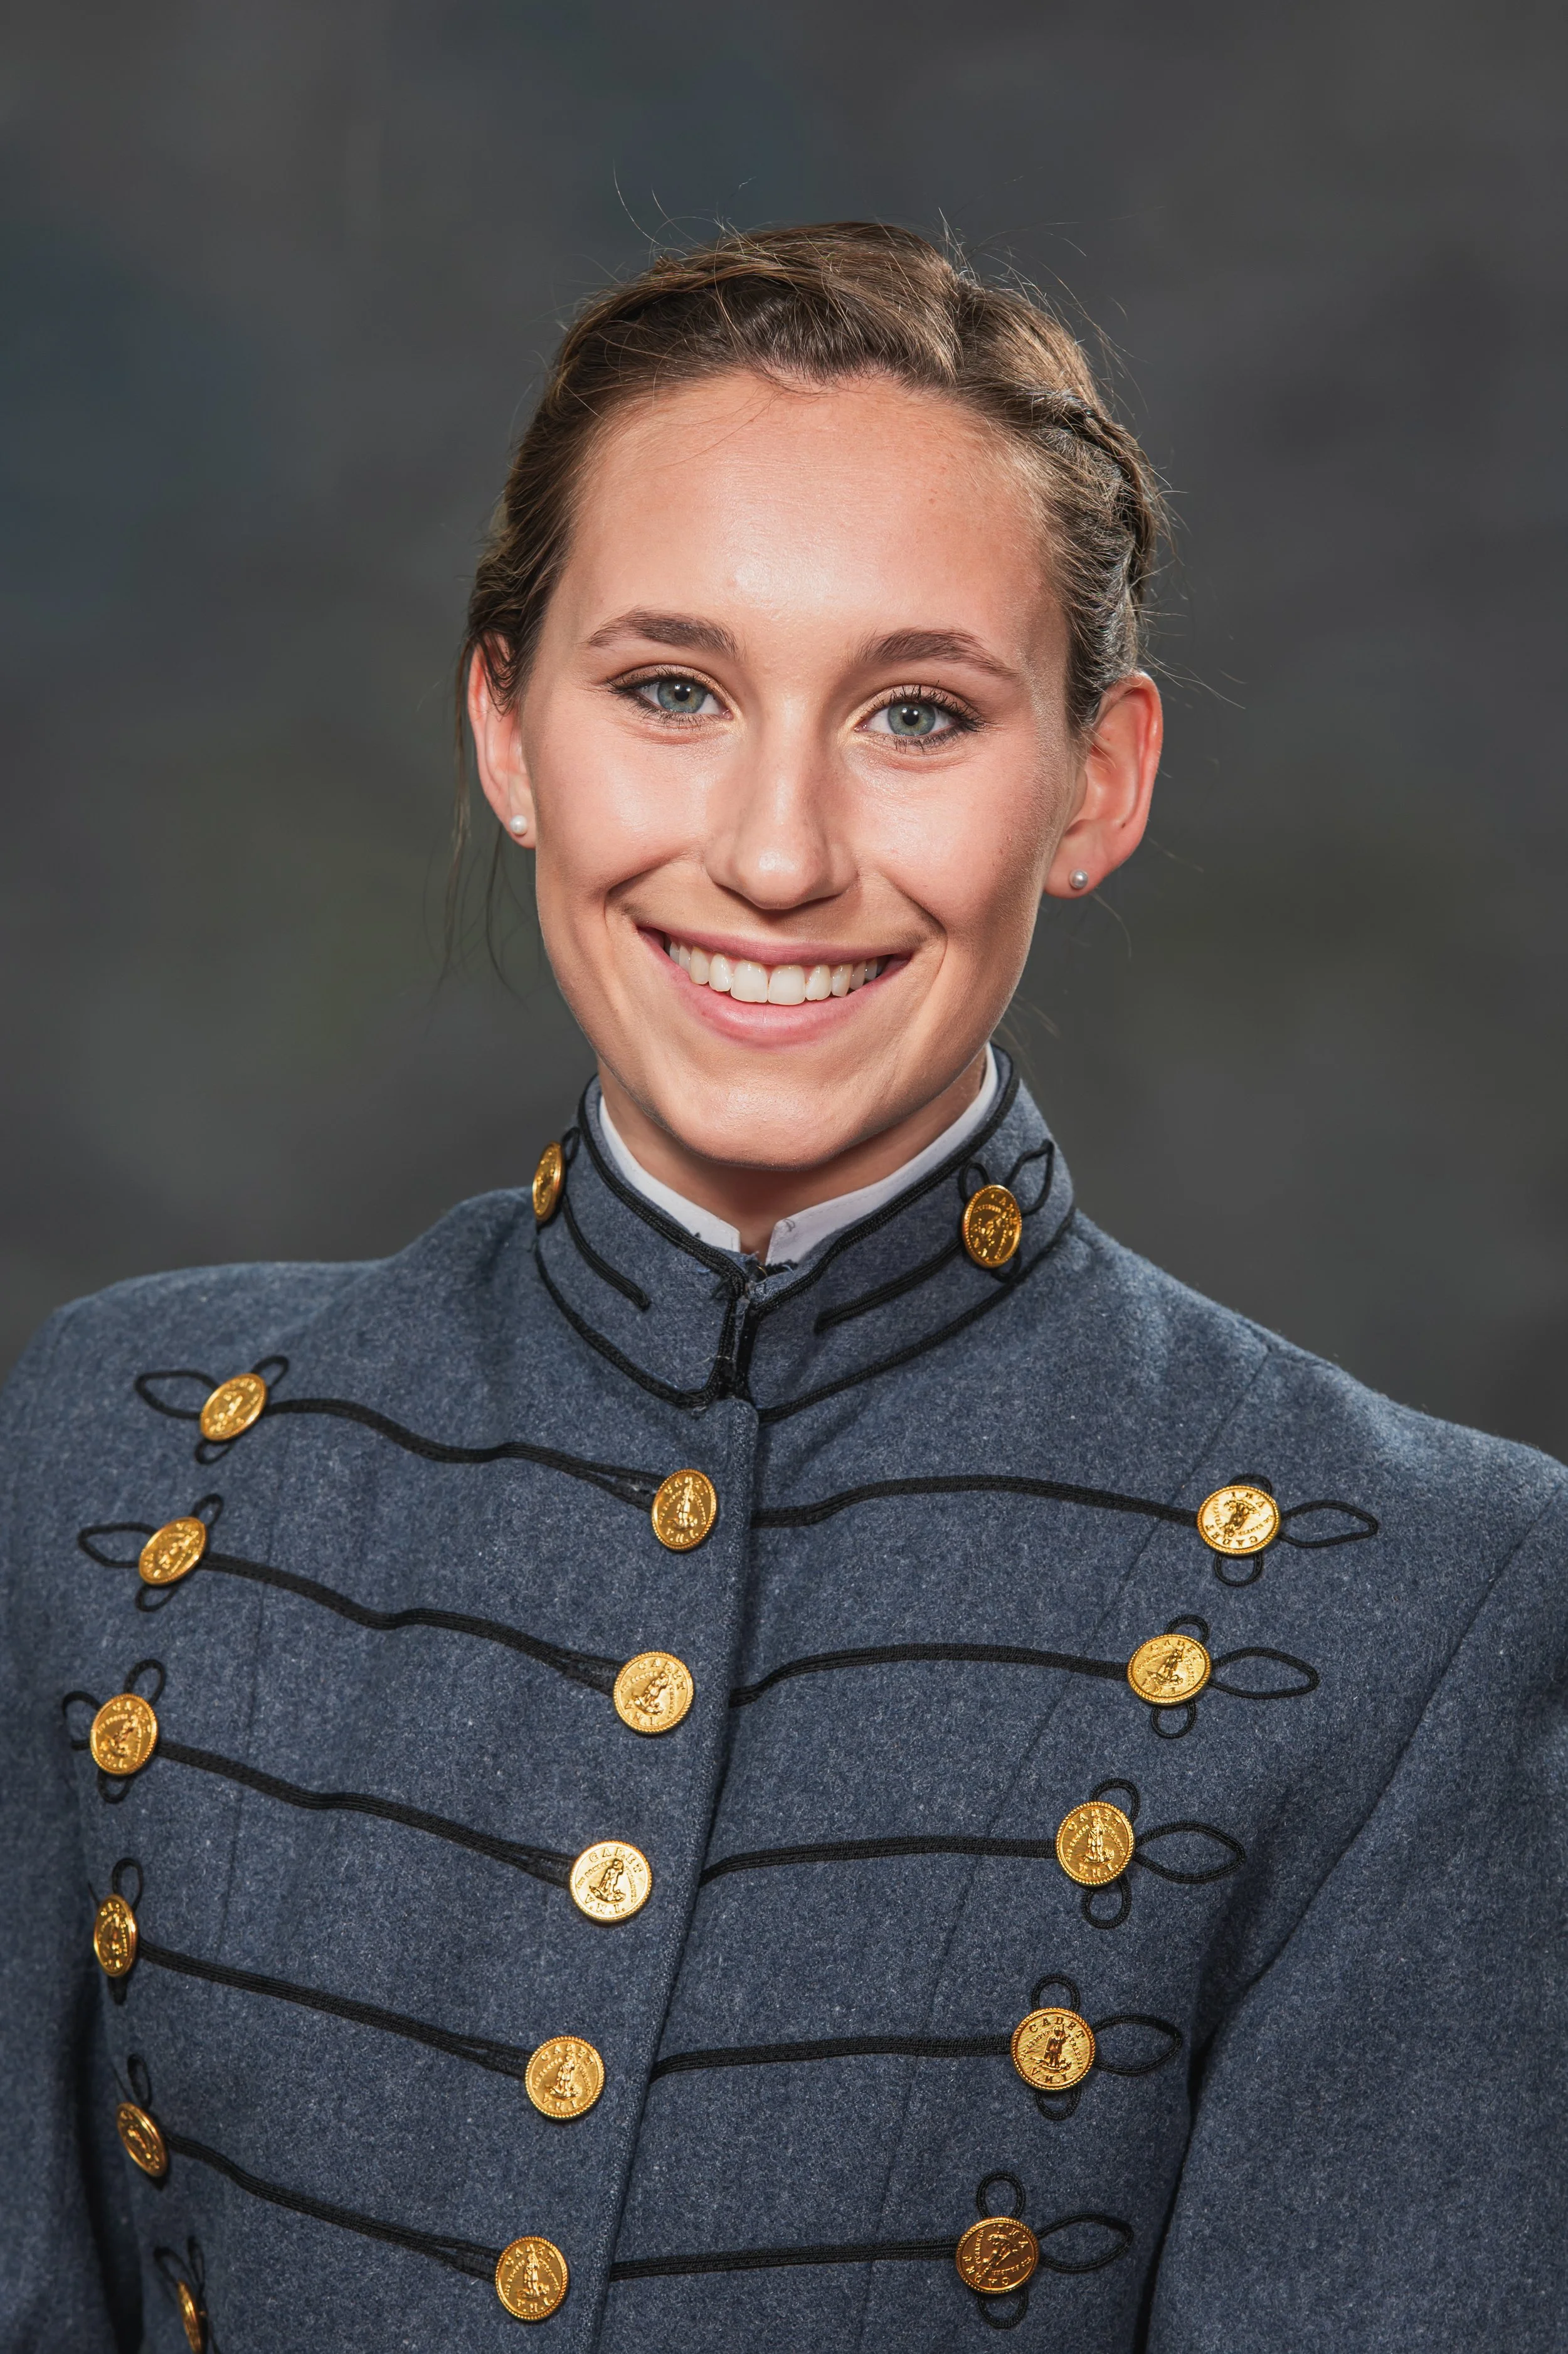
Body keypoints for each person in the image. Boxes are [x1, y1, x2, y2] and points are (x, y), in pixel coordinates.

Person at [1, 222, 1560, 2354]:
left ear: (1093, 784)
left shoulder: (1426, 1600)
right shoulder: (120, 1444)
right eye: (669, 691)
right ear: (505, 729)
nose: (774, 852)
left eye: (916, 714)